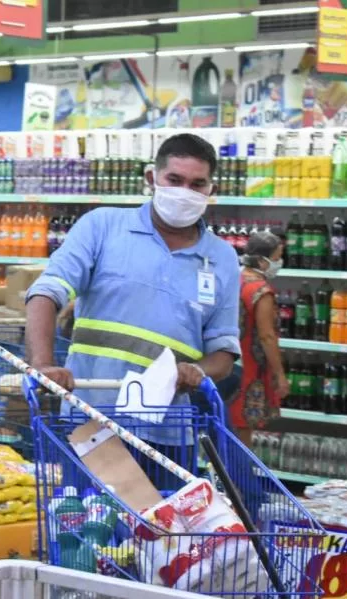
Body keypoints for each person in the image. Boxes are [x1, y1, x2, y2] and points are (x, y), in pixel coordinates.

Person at [25, 134, 241, 486]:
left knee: (162, 539)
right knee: (88, 533)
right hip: (91, 422)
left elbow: (224, 350)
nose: (185, 191)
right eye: (175, 180)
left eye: (197, 184)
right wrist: (43, 365)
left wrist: (197, 371)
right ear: (151, 178)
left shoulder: (222, 258)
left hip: (170, 434)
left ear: (210, 189)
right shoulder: (103, 226)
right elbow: (46, 293)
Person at [229, 231, 288, 447]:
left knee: (225, 423)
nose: (278, 262)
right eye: (276, 257)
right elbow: (267, 336)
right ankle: (237, 477)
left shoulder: (233, 280)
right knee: (243, 426)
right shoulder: (261, 291)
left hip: (227, 361)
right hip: (250, 368)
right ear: (262, 262)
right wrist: (279, 374)